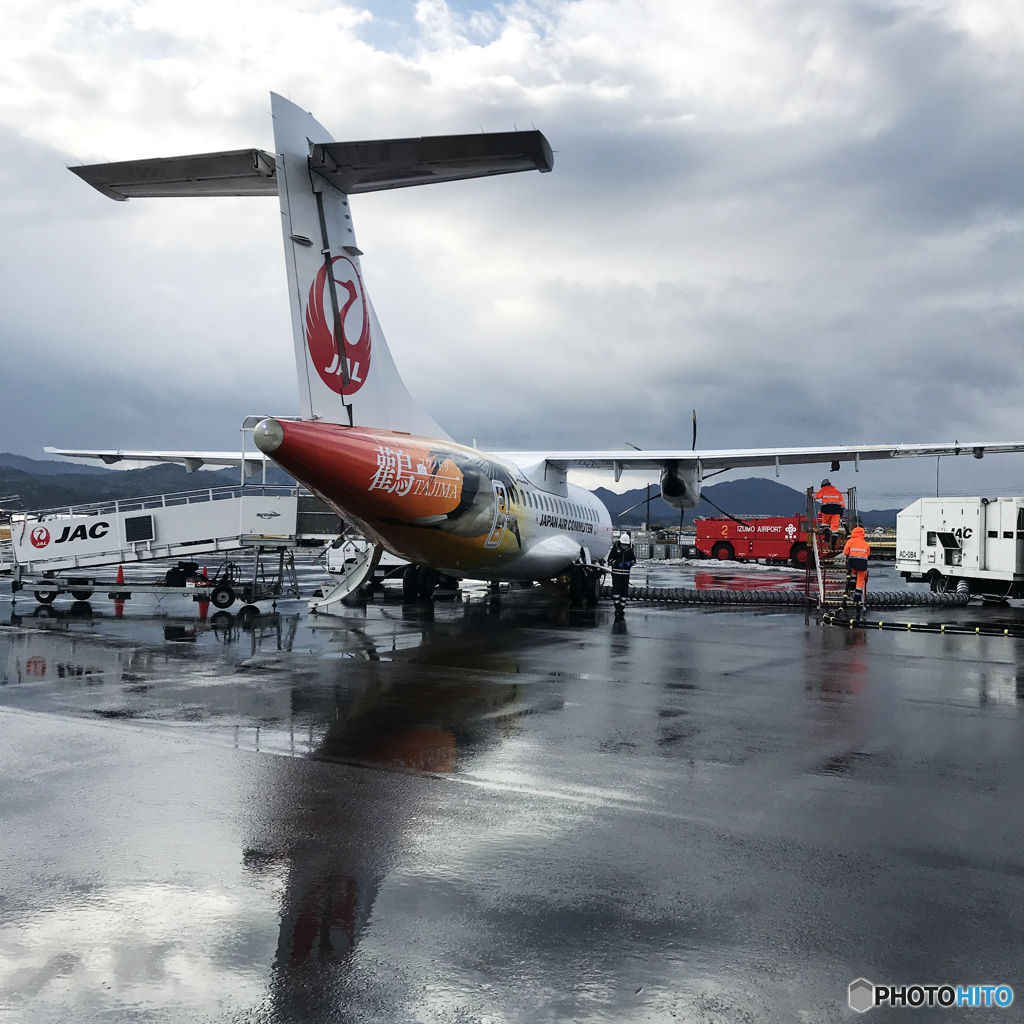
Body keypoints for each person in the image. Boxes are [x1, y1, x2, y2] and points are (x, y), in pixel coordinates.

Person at [843, 525, 871, 615]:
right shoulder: (865, 543)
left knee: (853, 573)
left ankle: (851, 586)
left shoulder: (850, 541)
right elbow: (868, 553)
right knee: (861, 579)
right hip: (863, 562)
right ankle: (857, 597)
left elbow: (845, 552)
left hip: (853, 561)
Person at [608, 531, 636, 617]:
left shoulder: (630, 551)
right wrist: (616, 563)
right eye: (623, 544)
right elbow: (609, 560)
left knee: (624, 591)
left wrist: (630, 563)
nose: (624, 546)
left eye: (626, 545)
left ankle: (622, 607)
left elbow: (634, 560)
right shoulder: (615, 550)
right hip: (616, 573)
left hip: (625, 575)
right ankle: (617, 606)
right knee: (616, 589)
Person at [814, 478, 846, 549]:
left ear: (822, 485)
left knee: (824, 524)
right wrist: (841, 512)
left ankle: (827, 537)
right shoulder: (837, 492)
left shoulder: (823, 490)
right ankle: (833, 546)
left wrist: (811, 496)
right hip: (836, 512)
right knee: (835, 529)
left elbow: (816, 496)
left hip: (826, 510)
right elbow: (842, 504)